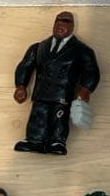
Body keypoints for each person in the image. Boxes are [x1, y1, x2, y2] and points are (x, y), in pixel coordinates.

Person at [14, 11, 100, 155]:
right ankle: (34, 140)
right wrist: (21, 85)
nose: (61, 26)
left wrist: (86, 88)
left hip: (62, 93)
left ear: (72, 26)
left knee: (59, 117)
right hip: (41, 92)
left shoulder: (82, 50)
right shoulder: (39, 47)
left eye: (66, 22)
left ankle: (57, 141)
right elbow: (25, 66)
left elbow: (91, 71)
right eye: (58, 22)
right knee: (38, 116)